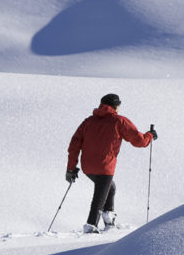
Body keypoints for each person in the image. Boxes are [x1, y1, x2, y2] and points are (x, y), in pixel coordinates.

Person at [66, 93, 157, 233]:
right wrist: (150, 136)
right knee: (99, 198)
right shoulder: (119, 121)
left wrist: (71, 168)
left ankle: (109, 221)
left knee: (110, 188)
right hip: (105, 166)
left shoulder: (88, 122)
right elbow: (138, 141)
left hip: (87, 167)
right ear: (116, 106)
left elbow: (74, 144)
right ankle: (91, 227)